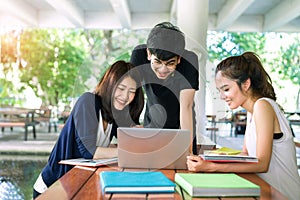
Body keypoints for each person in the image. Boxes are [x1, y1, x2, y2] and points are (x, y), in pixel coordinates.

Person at [187, 52, 300, 199]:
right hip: (266, 192)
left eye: (226, 89)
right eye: (219, 91)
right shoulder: (252, 111)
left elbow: (261, 164)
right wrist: (212, 158)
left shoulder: (262, 106)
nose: (222, 96)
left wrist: (211, 167)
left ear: (246, 84)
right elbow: (246, 155)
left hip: (284, 195)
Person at [33, 60, 144, 198]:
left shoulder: (115, 113)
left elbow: (128, 140)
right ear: (110, 85)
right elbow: (88, 151)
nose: (125, 96)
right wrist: (128, 153)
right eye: (121, 89)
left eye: (131, 91)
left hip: (79, 183)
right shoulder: (88, 101)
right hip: (54, 186)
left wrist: (140, 135)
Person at [130, 22, 199, 154]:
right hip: (152, 124)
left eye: (170, 63)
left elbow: (186, 106)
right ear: (149, 54)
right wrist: (131, 126)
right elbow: (131, 93)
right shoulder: (139, 55)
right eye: (157, 62)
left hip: (183, 127)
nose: (163, 69)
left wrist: (188, 151)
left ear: (178, 58)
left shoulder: (189, 60)